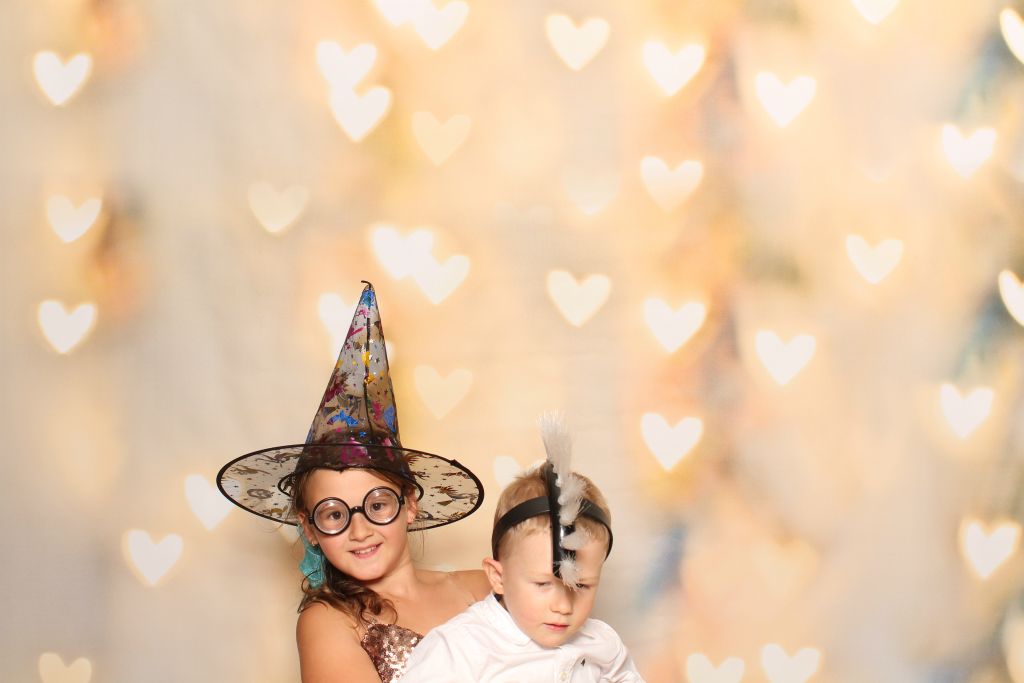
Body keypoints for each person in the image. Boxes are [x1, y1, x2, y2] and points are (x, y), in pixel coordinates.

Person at [217, 282, 489, 682]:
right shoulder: (329, 621)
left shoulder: (483, 588)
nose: (359, 531)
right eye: (334, 514)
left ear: (410, 503)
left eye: (377, 505)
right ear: (309, 527)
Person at [400, 416, 646, 682]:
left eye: (581, 586)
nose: (563, 606)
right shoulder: (459, 650)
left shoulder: (601, 643)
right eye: (543, 584)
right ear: (498, 577)